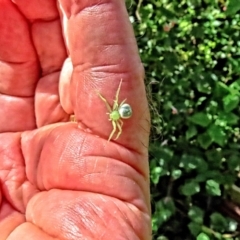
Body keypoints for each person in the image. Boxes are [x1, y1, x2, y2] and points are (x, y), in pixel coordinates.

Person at [0, 0, 151, 239]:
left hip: (121, 112)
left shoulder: (114, 119)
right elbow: (116, 117)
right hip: (121, 111)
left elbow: (116, 119)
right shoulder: (115, 117)